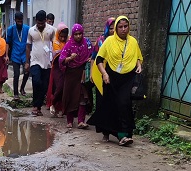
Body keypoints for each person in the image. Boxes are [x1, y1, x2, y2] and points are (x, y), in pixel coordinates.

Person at [87, 16, 143, 146]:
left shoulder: (133, 41)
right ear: (116, 28)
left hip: (127, 78)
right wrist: (104, 74)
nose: (123, 29)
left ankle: (124, 135)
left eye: (126, 26)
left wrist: (139, 64)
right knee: (110, 104)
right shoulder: (109, 41)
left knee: (124, 104)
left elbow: (138, 56)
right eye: (120, 27)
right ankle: (109, 132)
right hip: (111, 77)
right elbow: (99, 59)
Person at [59, 24, 92, 129]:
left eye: (80, 34)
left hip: (82, 74)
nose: (78, 36)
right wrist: (70, 58)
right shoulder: (69, 45)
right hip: (71, 74)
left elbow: (92, 53)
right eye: (76, 34)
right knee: (70, 96)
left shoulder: (86, 43)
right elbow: (62, 60)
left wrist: (90, 59)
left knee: (83, 97)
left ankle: (81, 121)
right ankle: (69, 121)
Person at [25, 10, 56, 116]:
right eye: (38, 23)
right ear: (36, 21)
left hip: (47, 62)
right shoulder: (31, 30)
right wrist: (27, 61)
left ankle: (38, 107)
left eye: (42, 23)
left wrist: (54, 58)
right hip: (35, 61)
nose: (40, 25)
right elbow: (28, 46)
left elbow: (54, 44)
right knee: (36, 81)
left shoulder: (51, 30)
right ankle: (35, 106)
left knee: (44, 85)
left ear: (45, 21)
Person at [46, 23, 68, 117]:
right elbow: (57, 55)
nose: (63, 39)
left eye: (64, 37)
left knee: (65, 89)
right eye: (61, 36)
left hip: (66, 67)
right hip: (57, 67)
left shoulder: (69, 40)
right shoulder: (55, 42)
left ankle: (60, 108)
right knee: (59, 87)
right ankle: (53, 103)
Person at [6, 11, 30, 100]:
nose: (20, 22)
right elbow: (7, 43)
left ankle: (22, 88)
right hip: (15, 54)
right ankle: (16, 94)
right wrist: (6, 55)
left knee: (27, 72)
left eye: (21, 21)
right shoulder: (11, 29)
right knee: (16, 74)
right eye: (18, 21)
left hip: (24, 54)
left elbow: (30, 42)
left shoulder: (27, 29)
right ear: (15, 20)